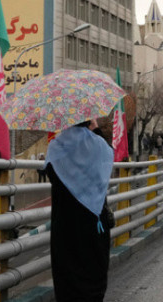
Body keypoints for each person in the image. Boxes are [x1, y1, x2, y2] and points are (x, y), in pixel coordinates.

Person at [45, 120, 114, 301]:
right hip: (95, 224)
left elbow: (52, 175)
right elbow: (109, 153)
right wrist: (96, 127)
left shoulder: (57, 147)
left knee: (67, 283)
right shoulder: (100, 146)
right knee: (94, 281)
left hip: (66, 227)